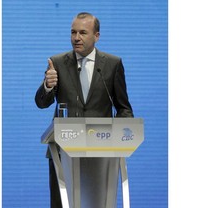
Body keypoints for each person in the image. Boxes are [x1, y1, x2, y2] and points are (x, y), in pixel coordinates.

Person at [35, 12, 133, 208]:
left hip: (101, 154)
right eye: (73, 32)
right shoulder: (58, 62)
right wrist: (47, 85)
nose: (76, 38)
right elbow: (41, 102)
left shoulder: (112, 64)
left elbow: (124, 108)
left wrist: (122, 134)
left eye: (82, 33)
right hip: (63, 153)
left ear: (96, 36)